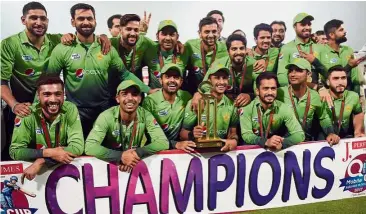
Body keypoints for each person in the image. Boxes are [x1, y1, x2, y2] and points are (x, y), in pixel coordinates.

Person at [47, 3, 150, 138]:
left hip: (104, 110)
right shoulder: (62, 49)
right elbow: (49, 80)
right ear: (73, 22)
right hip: (76, 111)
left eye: (90, 18)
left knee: (109, 149)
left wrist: (148, 90)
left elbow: (124, 74)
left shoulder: (106, 47)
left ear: (95, 21)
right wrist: (38, 106)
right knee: (78, 153)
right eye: (81, 19)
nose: (86, 22)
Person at [10, 75, 84, 181]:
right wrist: (50, 153)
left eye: (58, 94)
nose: (53, 99)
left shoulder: (70, 109)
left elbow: (77, 147)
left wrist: (42, 160)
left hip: (60, 173)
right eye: (46, 94)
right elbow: (15, 151)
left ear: (64, 95)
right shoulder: (26, 114)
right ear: (38, 96)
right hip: (35, 177)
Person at [85, 80, 169, 172]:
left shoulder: (146, 115)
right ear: (117, 98)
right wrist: (120, 157)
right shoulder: (106, 116)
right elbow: (90, 146)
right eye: (124, 94)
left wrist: (137, 154)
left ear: (140, 98)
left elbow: (163, 142)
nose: (130, 98)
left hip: (132, 164)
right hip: (108, 166)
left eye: (134, 94)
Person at [276, 58, 340, 145]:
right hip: (282, 142)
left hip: (306, 142)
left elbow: (323, 117)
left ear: (309, 74)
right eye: (290, 71)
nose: (292, 74)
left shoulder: (315, 96)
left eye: (298, 70)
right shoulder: (279, 92)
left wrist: (331, 133)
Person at [180, 64, 239, 152]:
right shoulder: (197, 101)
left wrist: (234, 140)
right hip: (198, 153)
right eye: (217, 78)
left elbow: (232, 132)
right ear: (209, 81)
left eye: (224, 78)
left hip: (221, 153)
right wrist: (192, 134)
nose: (222, 82)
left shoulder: (231, 105)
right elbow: (182, 133)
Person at [240, 72, 305, 150]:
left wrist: (283, 143)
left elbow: (299, 134)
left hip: (276, 148)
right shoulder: (247, 108)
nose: (270, 92)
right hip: (252, 150)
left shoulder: (284, 108)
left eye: (273, 88)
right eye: (265, 88)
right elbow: (246, 135)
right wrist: (266, 142)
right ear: (257, 91)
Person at [142, 63, 193, 151]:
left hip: (181, 147)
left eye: (176, 77)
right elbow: (151, 135)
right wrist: (175, 144)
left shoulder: (186, 96)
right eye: (168, 77)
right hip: (156, 149)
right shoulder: (150, 101)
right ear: (161, 80)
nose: (172, 80)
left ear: (181, 82)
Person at [317, 19, 365, 99]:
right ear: (332, 35)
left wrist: (357, 97)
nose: (345, 32)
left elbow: (355, 78)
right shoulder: (320, 52)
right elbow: (319, 77)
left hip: (349, 96)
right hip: (329, 97)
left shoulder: (348, 50)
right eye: (341, 30)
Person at [277, 13, 323, 89]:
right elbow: (282, 75)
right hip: (295, 92)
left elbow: (326, 73)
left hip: (317, 91)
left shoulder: (319, 47)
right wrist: (291, 93)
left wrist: (315, 61)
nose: (307, 27)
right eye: (303, 24)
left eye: (309, 24)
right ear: (294, 26)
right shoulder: (287, 48)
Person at [184, 17, 228, 95]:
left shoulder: (225, 48)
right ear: (199, 33)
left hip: (216, 92)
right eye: (207, 32)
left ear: (218, 33)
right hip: (193, 92)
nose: (211, 35)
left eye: (214, 31)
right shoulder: (190, 45)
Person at [143, 20, 186, 89]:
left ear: (177, 37)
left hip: (177, 98)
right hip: (155, 98)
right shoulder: (150, 50)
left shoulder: (184, 52)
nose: (168, 38)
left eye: (172, 34)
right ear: (157, 36)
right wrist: (142, 32)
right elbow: (136, 46)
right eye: (164, 34)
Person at [324, 66, 365, 138]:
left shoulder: (353, 96)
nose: (340, 82)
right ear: (328, 82)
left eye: (343, 78)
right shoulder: (321, 97)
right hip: (323, 138)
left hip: (345, 136)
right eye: (336, 78)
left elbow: (358, 113)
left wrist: (357, 131)